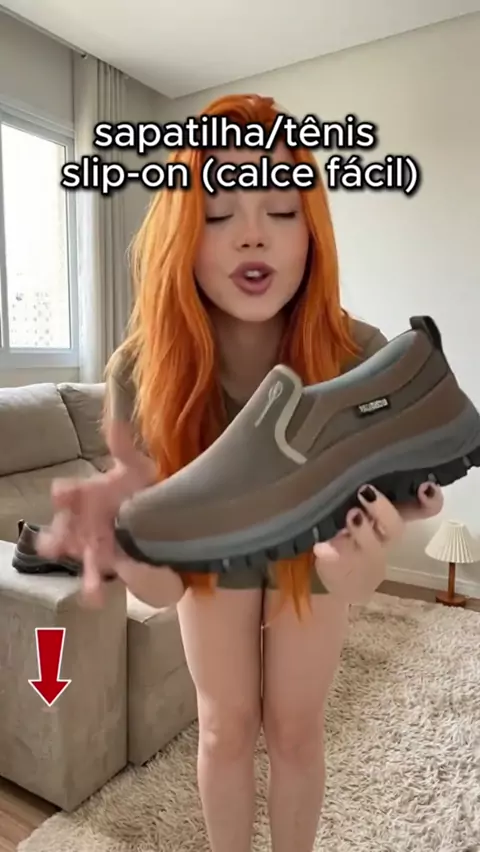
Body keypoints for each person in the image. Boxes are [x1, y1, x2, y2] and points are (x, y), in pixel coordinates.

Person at [38, 93, 443, 852]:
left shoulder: (364, 358)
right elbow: (163, 589)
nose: (253, 234)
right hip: (211, 550)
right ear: (182, 234)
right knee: (224, 726)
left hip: (311, 550)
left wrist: (361, 554)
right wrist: (124, 544)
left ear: (312, 228)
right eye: (219, 212)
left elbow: (357, 581)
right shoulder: (140, 372)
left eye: (282, 210)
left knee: (296, 729)